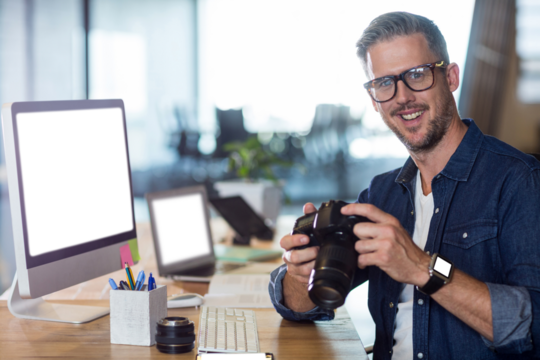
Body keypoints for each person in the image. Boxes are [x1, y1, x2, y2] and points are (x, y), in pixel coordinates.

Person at [268, 11, 540, 360]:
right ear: (373, 99)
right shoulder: (380, 196)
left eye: (416, 75)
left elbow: (533, 326)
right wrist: (299, 272)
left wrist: (422, 268)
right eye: (384, 83)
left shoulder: (519, 181)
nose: (402, 97)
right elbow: (303, 306)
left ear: (451, 76)